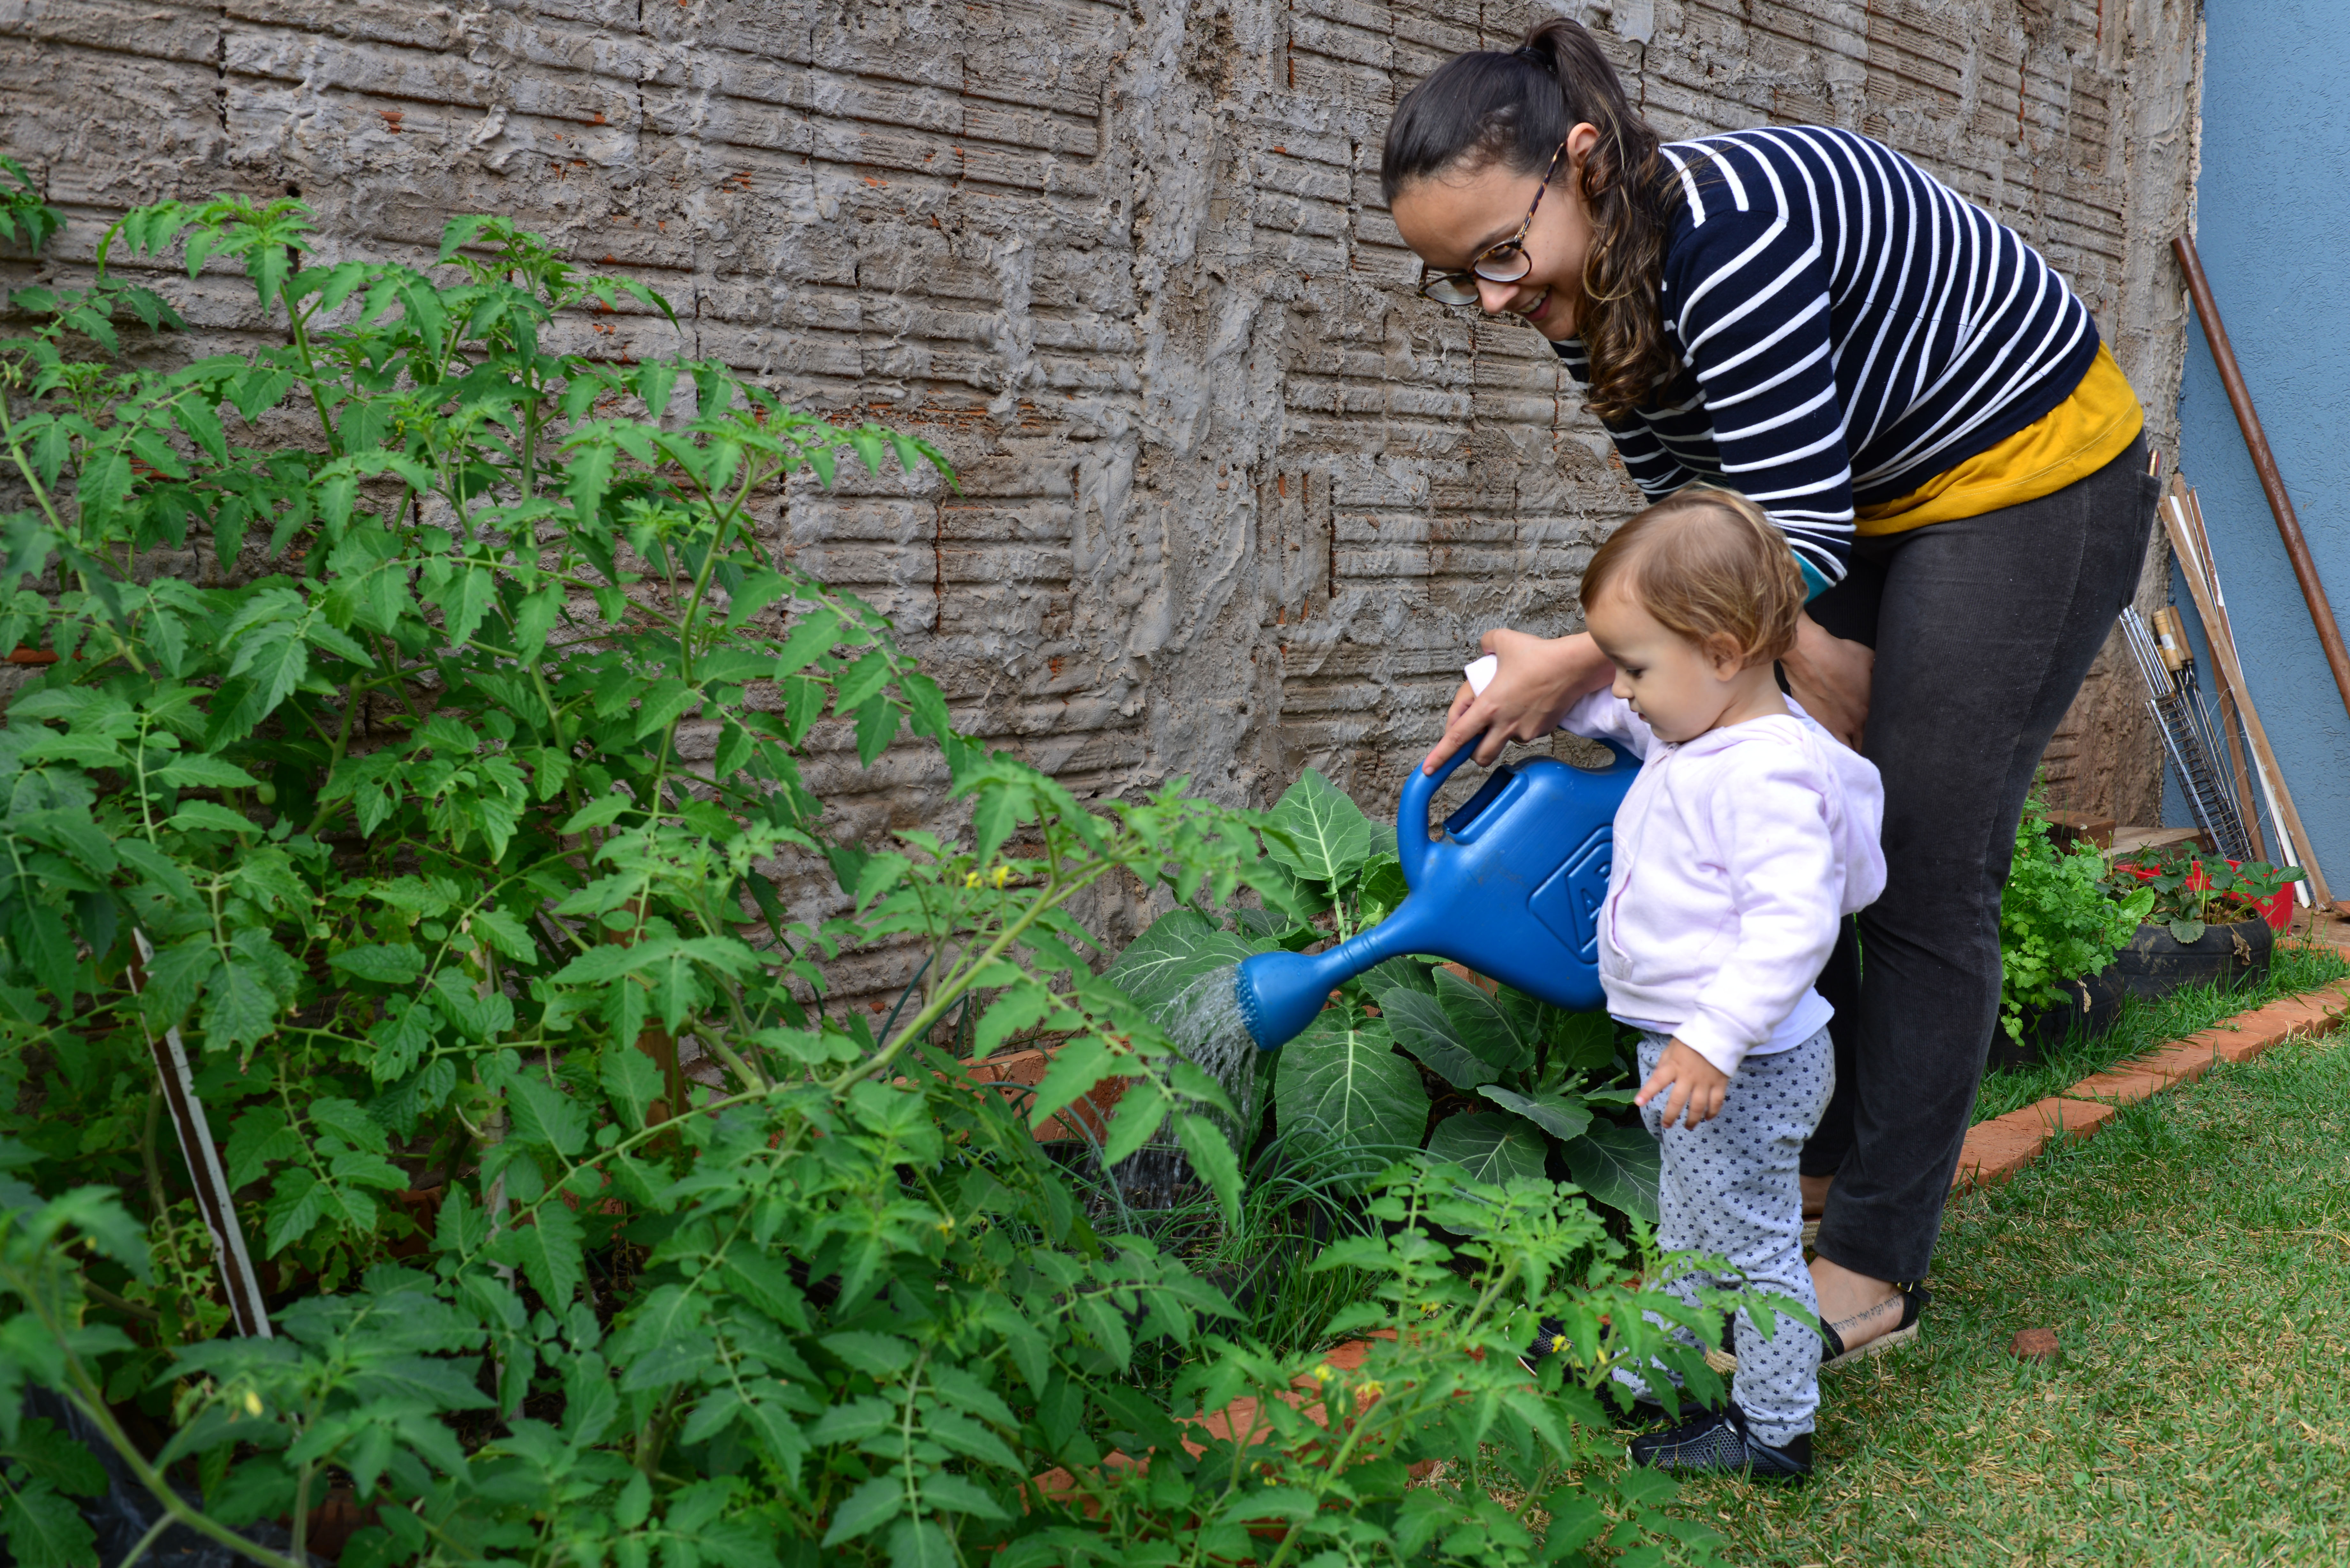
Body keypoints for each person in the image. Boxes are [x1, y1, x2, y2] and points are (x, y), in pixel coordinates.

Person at [1383, 19, 2157, 1361]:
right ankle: (1805, 1175)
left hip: (2027, 472)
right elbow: (1699, 523)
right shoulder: (1592, 288)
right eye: (1461, 281)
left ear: (1585, 162)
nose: (1496, 302)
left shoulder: (1730, 242)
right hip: (1852, 502)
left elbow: (1777, 543)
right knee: (1795, 819)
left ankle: (1870, 1259)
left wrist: (1580, 657)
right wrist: (1764, 653)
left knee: (1919, 852)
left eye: (1500, 257)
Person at [1542, 487, 1885, 1479]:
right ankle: (1655, 1375)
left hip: (1742, 1063)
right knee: (1690, 1235)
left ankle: (1775, 1428)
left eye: (1640, 666)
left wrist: (1711, 1039)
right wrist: (1512, 680)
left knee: (1759, 1251)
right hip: (1700, 1058)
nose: (1627, 691)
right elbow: (1601, 705)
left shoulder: (1762, 775)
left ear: (1726, 651)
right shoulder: (1698, 728)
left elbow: (1795, 925)